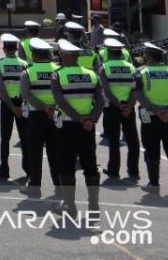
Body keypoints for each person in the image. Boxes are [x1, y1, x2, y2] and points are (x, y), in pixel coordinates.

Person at [51, 39, 103, 215]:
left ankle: (69, 206)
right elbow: (100, 100)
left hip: (67, 126)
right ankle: (94, 207)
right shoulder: (92, 75)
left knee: (66, 166)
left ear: (64, 57)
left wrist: (79, 119)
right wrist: (91, 119)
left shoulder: (58, 75)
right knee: (90, 166)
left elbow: (61, 102)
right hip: (88, 127)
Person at [133, 43, 168, 193]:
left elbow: (138, 94)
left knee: (151, 150)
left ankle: (154, 183)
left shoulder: (140, 72)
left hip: (150, 118)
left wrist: (156, 111)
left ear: (149, 56)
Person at [18, 37, 60, 197]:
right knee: (55, 152)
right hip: (55, 115)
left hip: (35, 117)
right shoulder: (57, 69)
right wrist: (52, 108)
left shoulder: (28, 71)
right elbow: (62, 92)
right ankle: (59, 186)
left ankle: (34, 187)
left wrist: (43, 107)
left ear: (34, 54)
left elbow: (26, 94)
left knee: (34, 152)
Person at [97, 38, 139, 180]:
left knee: (114, 140)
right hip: (128, 107)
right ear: (121, 52)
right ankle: (133, 170)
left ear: (108, 52)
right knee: (132, 139)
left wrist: (119, 105)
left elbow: (106, 90)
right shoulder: (131, 67)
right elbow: (134, 89)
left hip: (112, 108)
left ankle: (114, 170)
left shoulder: (104, 67)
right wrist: (128, 105)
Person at [0, 33, 27, 181]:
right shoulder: (25, 64)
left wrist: (11, 106)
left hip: (7, 104)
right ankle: (28, 169)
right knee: (25, 138)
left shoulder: (0, 64)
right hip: (22, 104)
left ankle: (4, 168)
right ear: (17, 48)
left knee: (5, 138)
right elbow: (27, 88)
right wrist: (18, 105)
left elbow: (1, 88)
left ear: (4, 49)